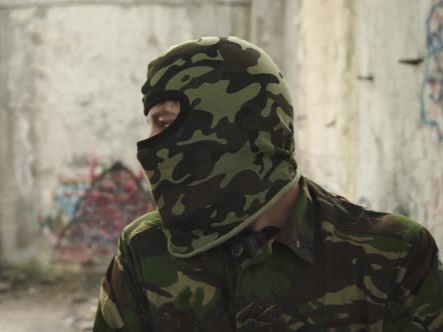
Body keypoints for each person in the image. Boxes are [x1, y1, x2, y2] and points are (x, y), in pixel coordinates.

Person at [93, 36, 443, 331]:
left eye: (164, 122)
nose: (149, 144)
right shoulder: (144, 250)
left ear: (229, 128)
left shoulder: (395, 255)